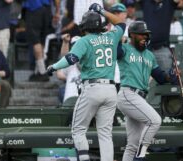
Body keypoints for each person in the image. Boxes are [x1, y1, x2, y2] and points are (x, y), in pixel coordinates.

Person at [46, 3, 125, 161]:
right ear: (102, 25)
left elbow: (71, 58)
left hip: (93, 88)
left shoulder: (84, 41)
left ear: (84, 26)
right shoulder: (111, 36)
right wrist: (102, 10)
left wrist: (53, 66)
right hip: (110, 89)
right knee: (105, 133)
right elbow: (121, 23)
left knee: (78, 130)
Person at [117, 21, 178, 161]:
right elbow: (116, 49)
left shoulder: (149, 55)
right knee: (155, 120)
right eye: (141, 34)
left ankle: (136, 153)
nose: (145, 37)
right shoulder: (125, 49)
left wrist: (171, 76)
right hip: (128, 93)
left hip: (139, 97)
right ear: (132, 35)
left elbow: (161, 78)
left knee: (132, 144)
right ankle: (141, 154)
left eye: (146, 34)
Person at [140, 0, 183, 72]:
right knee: (144, 79)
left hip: (162, 49)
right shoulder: (146, 2)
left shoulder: (169, 3)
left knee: (165, 78)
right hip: (146, 49)